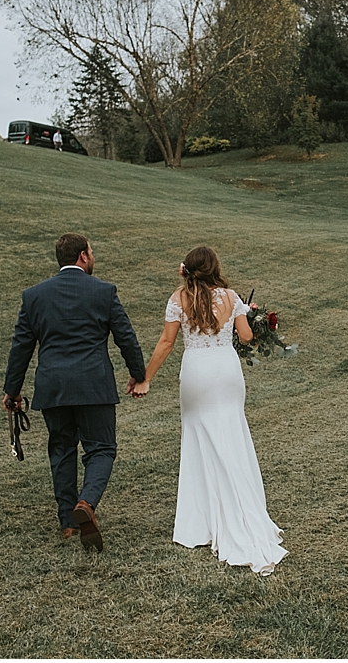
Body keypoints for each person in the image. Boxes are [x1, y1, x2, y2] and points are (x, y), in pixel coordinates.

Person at [133, 246, 287, 575]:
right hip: (227, 371)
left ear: (186, 270)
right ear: (215, 267)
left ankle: (201, 522)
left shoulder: (179, 299)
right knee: (231, 431)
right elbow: (245, 336)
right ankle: (242, 508)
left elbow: (166, 342)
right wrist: (256, 324)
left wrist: (145, 378)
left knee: (199, 438)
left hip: (197, 372)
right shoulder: (231, 296)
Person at [3, 233, 146, 551]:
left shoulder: (34, 296)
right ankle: (86, 504)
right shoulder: (104, 291)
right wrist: (138, 375)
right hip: (93, 384)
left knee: (62, 450)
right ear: (83, 256)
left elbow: (21, 348)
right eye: (92, 252)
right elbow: (126, 337)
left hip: (53, 386)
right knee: (102, 449)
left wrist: (12, 391)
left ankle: (68, 523)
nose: (93, 257)